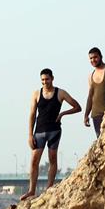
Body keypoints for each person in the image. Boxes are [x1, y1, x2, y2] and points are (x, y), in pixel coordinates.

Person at [20, 69, 81, 200]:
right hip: (39, 132)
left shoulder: (60, 93)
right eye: (42, 80)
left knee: (52, 159)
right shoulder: (36, 93)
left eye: (47, 79)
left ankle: (49, 188)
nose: (45, 82)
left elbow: (77, 107)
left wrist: (62, 114)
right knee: (34, 161)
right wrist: (30, 135)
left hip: (54, 131)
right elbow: (32, 114)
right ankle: (31, 190)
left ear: (52, 78)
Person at [84, 47, 105, 137]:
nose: (93, 60)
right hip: (96, 115)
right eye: (91, 58)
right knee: (101, 142)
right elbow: (90, 96)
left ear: (101, 56)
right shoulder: (90, 76)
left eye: (95, 57)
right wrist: (86, 115)